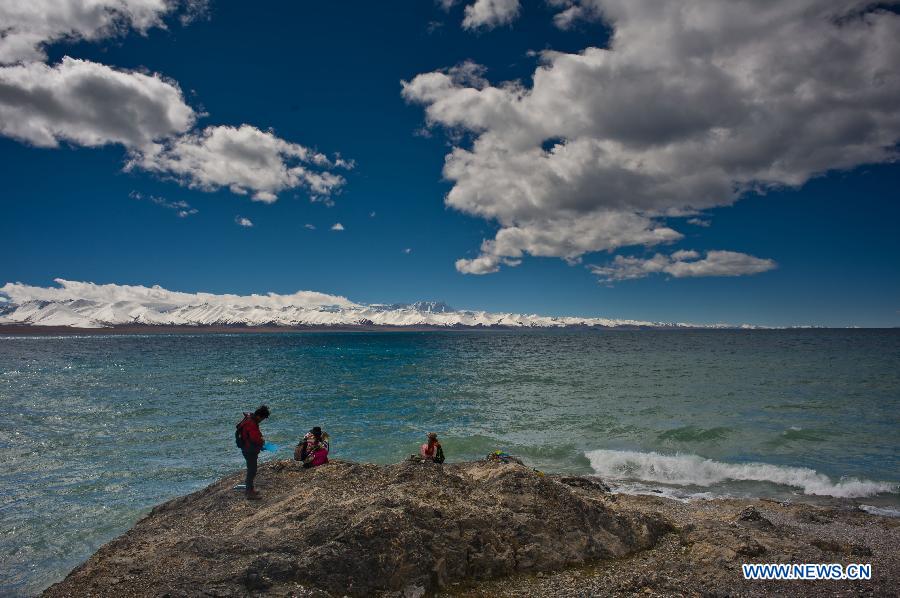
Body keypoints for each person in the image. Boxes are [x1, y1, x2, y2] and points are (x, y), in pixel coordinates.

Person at [236, 405, 269, 499]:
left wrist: (260, 443)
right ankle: (249, 493)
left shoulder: (250, 419)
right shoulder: (251, 423)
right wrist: (262, 442)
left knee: (251, 469)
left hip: (247, 448)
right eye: (262, 418)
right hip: (249, 449)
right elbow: (255, 438)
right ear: (259, 416)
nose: (262, 420)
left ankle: (250, 489)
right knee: (252, 471)